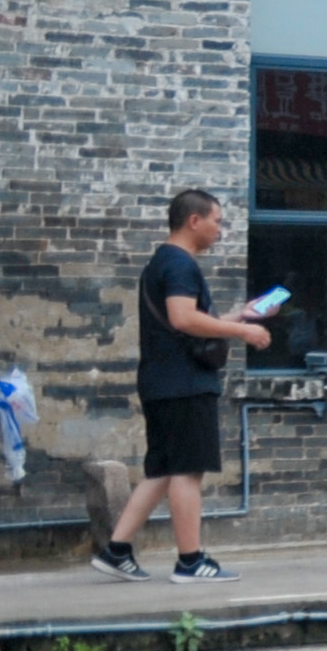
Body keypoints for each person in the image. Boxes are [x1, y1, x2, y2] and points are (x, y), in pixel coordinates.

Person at [95, 186, 267, 581]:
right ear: (194, 221)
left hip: (160, 381)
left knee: (162, 471)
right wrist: (245, 334)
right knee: (188, 472)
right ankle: (190, 560)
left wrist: (238, 316)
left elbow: (187, 322)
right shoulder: (180, 264)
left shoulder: (161, 262)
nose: (219, 231)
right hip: (185, 383)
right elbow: (183, 319)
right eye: (217, 222)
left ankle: (116, 551)